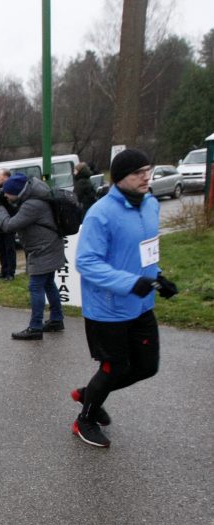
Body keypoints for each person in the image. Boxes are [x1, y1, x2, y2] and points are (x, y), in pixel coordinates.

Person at [71, 148, 177, 448]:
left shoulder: (151, 204)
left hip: (141, 303)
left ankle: (89, 392)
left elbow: (145, 252)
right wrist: (131, 283)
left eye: (148, 170)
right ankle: (85, 420)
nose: (146, 177)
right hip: (108, 308)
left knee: (146, 366)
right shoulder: (101, 214)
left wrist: (159, 277)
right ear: (119, 179)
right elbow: (87, 263)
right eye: (137, 173)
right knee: (113, 367)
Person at [0, 173, 65, 340]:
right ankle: (56, 320)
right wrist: (5, 203)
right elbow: (19, 216)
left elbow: (9, 225)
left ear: (17, 191)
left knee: (35, 287)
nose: (5, 196)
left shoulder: (33, 204)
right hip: (50, 246)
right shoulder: (34, 197)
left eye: (7, 193)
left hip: (43, 249)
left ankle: (35, 327)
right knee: (48, 284)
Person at [0, 168, 17, 280]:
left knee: (9, 248)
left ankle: (11, 273)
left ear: (6, 177)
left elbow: (10, 205)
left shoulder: (10, 189)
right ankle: (4, 270)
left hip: (8, 223)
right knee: (1, 249)